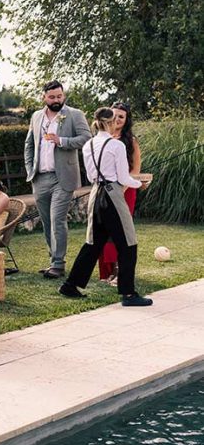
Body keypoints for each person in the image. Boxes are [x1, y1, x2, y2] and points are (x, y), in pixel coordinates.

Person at [60, 108, 152, 307]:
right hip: (112, 195)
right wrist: (140, 183)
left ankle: (70, 285)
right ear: (110, 123)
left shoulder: (88, 145)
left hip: (95, 195)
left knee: (93, 243)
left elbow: (93, 176)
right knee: (128, 244)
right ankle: (128, 294)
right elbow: (123, 178)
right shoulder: (116, 145)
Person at [24, 80, 91, 279]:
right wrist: (30, 170)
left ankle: (58, 264)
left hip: (63, 177)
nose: (56, 100)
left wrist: (61, 141)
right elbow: (29, 145)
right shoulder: (36, 116)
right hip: (40, 178)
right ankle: (53, 259)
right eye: (52, 97)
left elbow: (86, 138)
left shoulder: (75, 114)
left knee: (57, 219)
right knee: (46, 222)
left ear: (63, 96)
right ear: (44, 97)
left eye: (59, 96)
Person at [98, 101, 141, 284]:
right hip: (104, 191)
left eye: (121, 117)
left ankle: (119, 272)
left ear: (126, 120)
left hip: (125, 191)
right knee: (103, 230)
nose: (117, 119)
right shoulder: (100, 139)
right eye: (114, 115)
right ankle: (106, 272)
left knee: (121, 232)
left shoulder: (131, 142)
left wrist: (120, 188)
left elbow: (136, 170)